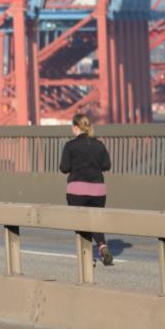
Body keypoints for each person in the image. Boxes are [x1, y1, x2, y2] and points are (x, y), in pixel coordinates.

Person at [60, 112, 114, 266]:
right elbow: (106, 166)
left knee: (81, 222)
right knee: (95, 221)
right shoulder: (99, 145)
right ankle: (102, 246)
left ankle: (88, 257)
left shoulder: (70, 145)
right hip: (98, 190)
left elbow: (64, 168)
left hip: (77, 189)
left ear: (75, 127)